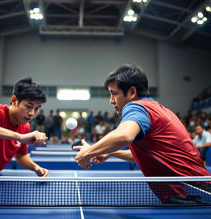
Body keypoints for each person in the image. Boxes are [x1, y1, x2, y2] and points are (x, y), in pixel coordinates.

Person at [74, 64, 210, 204]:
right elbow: (152, 154)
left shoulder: (136, 107)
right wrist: (111, 153)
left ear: (132, 92)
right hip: (194, 190)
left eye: (114, 93)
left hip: (196, 192)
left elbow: (124, 136)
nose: (111, 100)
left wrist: (87, 153)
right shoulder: (158, 109)